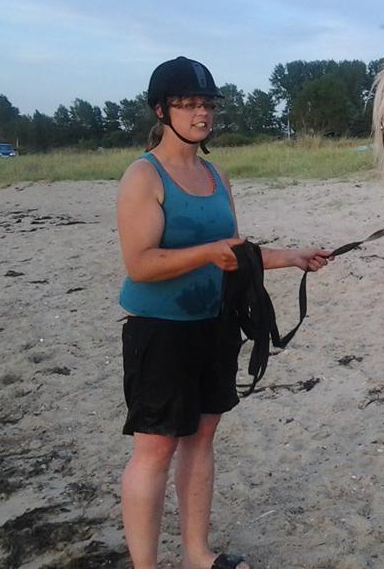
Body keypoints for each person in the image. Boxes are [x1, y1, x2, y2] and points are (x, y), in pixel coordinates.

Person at [116, 56, 330, 569]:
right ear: (162, 110)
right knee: (155, 448)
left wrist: (291, 257)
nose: (201, 114)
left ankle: (197, 554)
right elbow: (139, 264)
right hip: (160, 330)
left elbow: (235, 251)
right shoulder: (143, 176)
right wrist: (206, 254)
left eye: (207, 104)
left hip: (215, 325)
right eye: (187, 104)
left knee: (201, 436)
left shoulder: (216, 175)